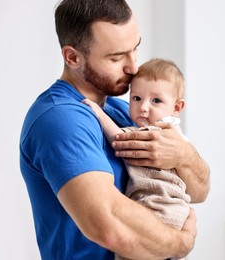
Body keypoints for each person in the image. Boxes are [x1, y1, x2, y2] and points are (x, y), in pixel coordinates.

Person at [19, 0, 210, 259]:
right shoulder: (60, 119)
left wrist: (184, 155)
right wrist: (181, 243)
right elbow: (108, 225)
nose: (133, 67)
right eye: (117, 57)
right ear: (73, 57)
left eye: (135, 49)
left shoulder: (124, 111)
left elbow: (200, 191)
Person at [83, 58, 191, 260]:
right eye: (137, 98)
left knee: (132, 249)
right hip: (172, 211)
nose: (143, 107)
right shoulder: (177, 136)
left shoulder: (158, 132)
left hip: (160, 206)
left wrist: (98, 113)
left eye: (156, 101)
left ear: (177, 107)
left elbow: (120, 139)